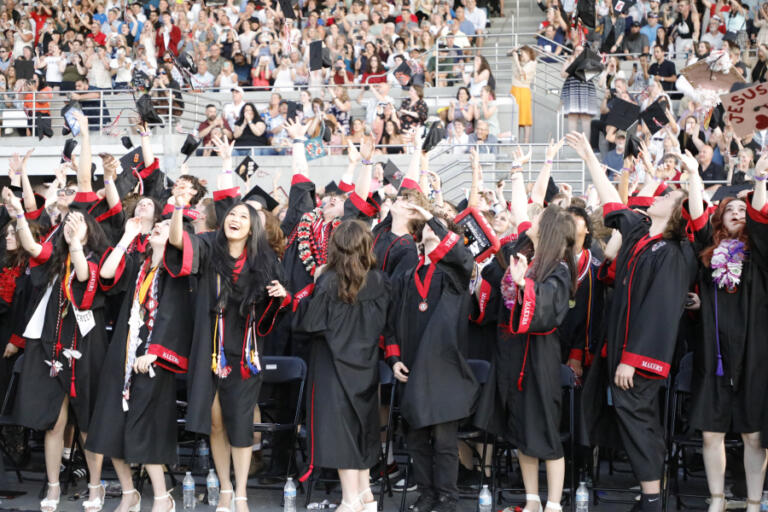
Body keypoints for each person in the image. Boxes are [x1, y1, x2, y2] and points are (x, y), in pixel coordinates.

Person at [570, 131, 692, 512]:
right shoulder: (641, 237)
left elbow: (658, 311)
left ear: (676, 214)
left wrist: (633, 358)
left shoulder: (672, 252)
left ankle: (653, 500)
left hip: (639, 359)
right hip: (620, 354)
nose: (661, 194)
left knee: (639, 425)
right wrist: (591, 158)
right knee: (629, 423)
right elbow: (612, 205)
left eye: (669, 195)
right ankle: (649, 495)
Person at [165, 194, 289, 512]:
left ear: (252, 229)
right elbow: (178, 241)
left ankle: (242, 493)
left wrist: (280, 296)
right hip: (209, 347)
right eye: (232, 214)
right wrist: (178, 208)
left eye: (243, 217)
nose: (235, 219)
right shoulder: (208, 247)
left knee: (240, 422)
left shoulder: (264, 261)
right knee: (216, 422)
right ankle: (225, 488)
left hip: (244, 352)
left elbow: (277, 307)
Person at [4, 193, 109, 512]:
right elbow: (32, 246)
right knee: (54, 420)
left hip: (85, 344)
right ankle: (52, 485)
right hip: (50, 340)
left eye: (78, 223)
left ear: (90, 230)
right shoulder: (52, 258)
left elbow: (82, 275)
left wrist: (76, 242)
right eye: (67, 223)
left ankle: (95, 486)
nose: (70, 226)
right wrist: (20, 214)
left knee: (89, 420)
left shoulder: (98, 258)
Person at [478, 198, 577, 512]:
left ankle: (553, 503)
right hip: (512, 354)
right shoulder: (525, 256)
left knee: (545, 431)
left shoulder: (557, 268)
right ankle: (532, 499)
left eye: (540, 218)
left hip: (539, 358)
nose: (531, 220)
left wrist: (525, 284)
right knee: (521, 429)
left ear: (547, 230)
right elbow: (498, 275)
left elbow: (550, 306)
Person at [684, 154, 768, 512]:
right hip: (713, 351)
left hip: (753, 354)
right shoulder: (710, 253)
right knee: (711, 432)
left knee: (754, 434)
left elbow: (761, 214)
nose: (736, 212)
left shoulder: (761, 252)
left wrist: (760, 178)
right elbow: (697, 215)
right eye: (729, 208)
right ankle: (717, 499)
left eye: (741, 209)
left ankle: (752, 502)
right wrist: (691, 175)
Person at [87, 216, 186, 512]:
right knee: (109, 423)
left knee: (146, 427)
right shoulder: (139, 264)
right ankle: (129, 493)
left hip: (152, 354)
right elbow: (105, 274)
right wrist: (127, 236)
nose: (159, 226)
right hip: (124, 349)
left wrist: (156, 351)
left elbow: (178, 315)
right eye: (159, 223)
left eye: (167, 225)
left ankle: (161, 497)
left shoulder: (175, 271)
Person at [385, 204, 479, 512]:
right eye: (425, 226)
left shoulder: (454, 274)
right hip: (411, 367)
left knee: (443, 442)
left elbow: (462, 259)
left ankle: (447, 498)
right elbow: (391, 320)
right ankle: (426, 493)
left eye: (436, 228)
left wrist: (430, 218)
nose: (429, 229)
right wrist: (394, 356)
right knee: (415, 438)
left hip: (444, 370)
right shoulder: (408, 274)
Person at [294, 220, 391, 512]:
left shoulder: (329, 281)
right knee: (362, 429)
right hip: (365, 365)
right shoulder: (380, 281)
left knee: (340, 433)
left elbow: (309, 324)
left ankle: (349, 500)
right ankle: (364, 493)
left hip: (332, 368)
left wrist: (310, 290)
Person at [510, 46, 535, 143]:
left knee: (525, 117)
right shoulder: (519, 61)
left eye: (524, 53)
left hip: (524, 90)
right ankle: (515, 139)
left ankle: (526, 141)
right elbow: (508, 53)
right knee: (516, 117)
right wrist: (515, 50)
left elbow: (522, 72)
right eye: (522, 53)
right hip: (514, 89)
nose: (522, 56)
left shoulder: (532, 63)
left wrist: (516, 60)